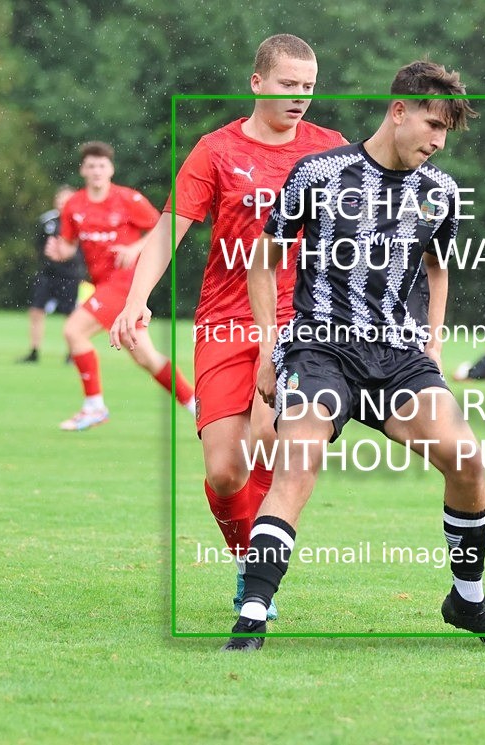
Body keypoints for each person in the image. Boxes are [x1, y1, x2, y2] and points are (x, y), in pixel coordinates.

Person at [227, 59, 485, 651]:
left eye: (447, 132)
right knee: (299, 461)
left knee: (466, 459)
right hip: (321, 350)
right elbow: (264, 260)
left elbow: (438, 269)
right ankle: (253, 616)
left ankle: (466, 601)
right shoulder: (319, 174)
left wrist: (434, 344)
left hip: (398, 356)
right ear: (398, 111)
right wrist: (270, 347)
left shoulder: (441, 192)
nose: (438, 142)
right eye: (432, 126)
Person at [109, 35, 346, 619]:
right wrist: (136, 300)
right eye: (289, 85)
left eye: (309, 87)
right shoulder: (215, 151)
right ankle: (251, 560)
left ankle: (258, 594)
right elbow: (171, 227)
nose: (300, 97)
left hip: (299, 322)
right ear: (258, 82)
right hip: (221, 321)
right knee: (223, 470)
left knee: (269, 438)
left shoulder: (331, 150)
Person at [48, 141, 196, 430]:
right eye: (91, 166)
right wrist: (59, 253)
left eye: (102, 165)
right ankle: (197, 407)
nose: (96, 171)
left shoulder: (128, 199)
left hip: (126, 284)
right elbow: (67, 247)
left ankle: (94, 406)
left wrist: (136, 248)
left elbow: (162, 228)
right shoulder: (74, 205)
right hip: (104, 283)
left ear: (111, 169)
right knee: (146, 357)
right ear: (83, 170)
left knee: (73, 331)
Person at [19, 185, 85, 363]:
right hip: (47, 274)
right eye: (60, 200)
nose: (63, 204)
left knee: (71, 314)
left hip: (70, 276)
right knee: (36, 311)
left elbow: (85, 250)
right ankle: (34, 352)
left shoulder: (80, 222)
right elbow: (38, 246)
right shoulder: (47, 221)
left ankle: (71, 354)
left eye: (67, 200)